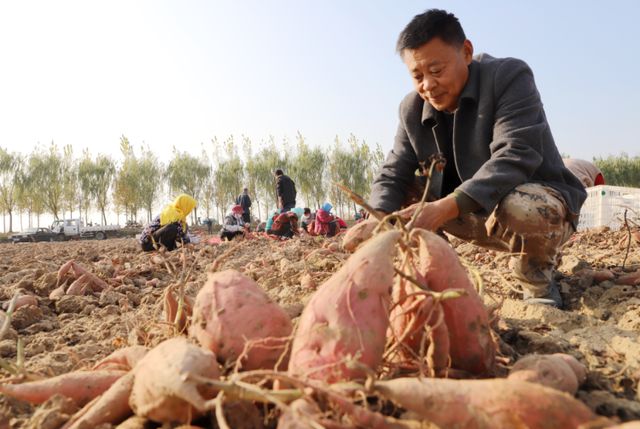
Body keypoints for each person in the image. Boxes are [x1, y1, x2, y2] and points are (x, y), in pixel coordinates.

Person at [368, 9, 587, 308]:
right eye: (417, 76)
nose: (427, 85)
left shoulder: (508, 77)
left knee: (521, 206)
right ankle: (437, 281)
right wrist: (374, 218)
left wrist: (443, 207)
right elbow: (393, 170)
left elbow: (516, 154)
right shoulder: (412, 109)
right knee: (397, 200)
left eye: (436, 70)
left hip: (536, 212)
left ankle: (537, 285)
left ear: (467, 52)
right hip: (467, 216)